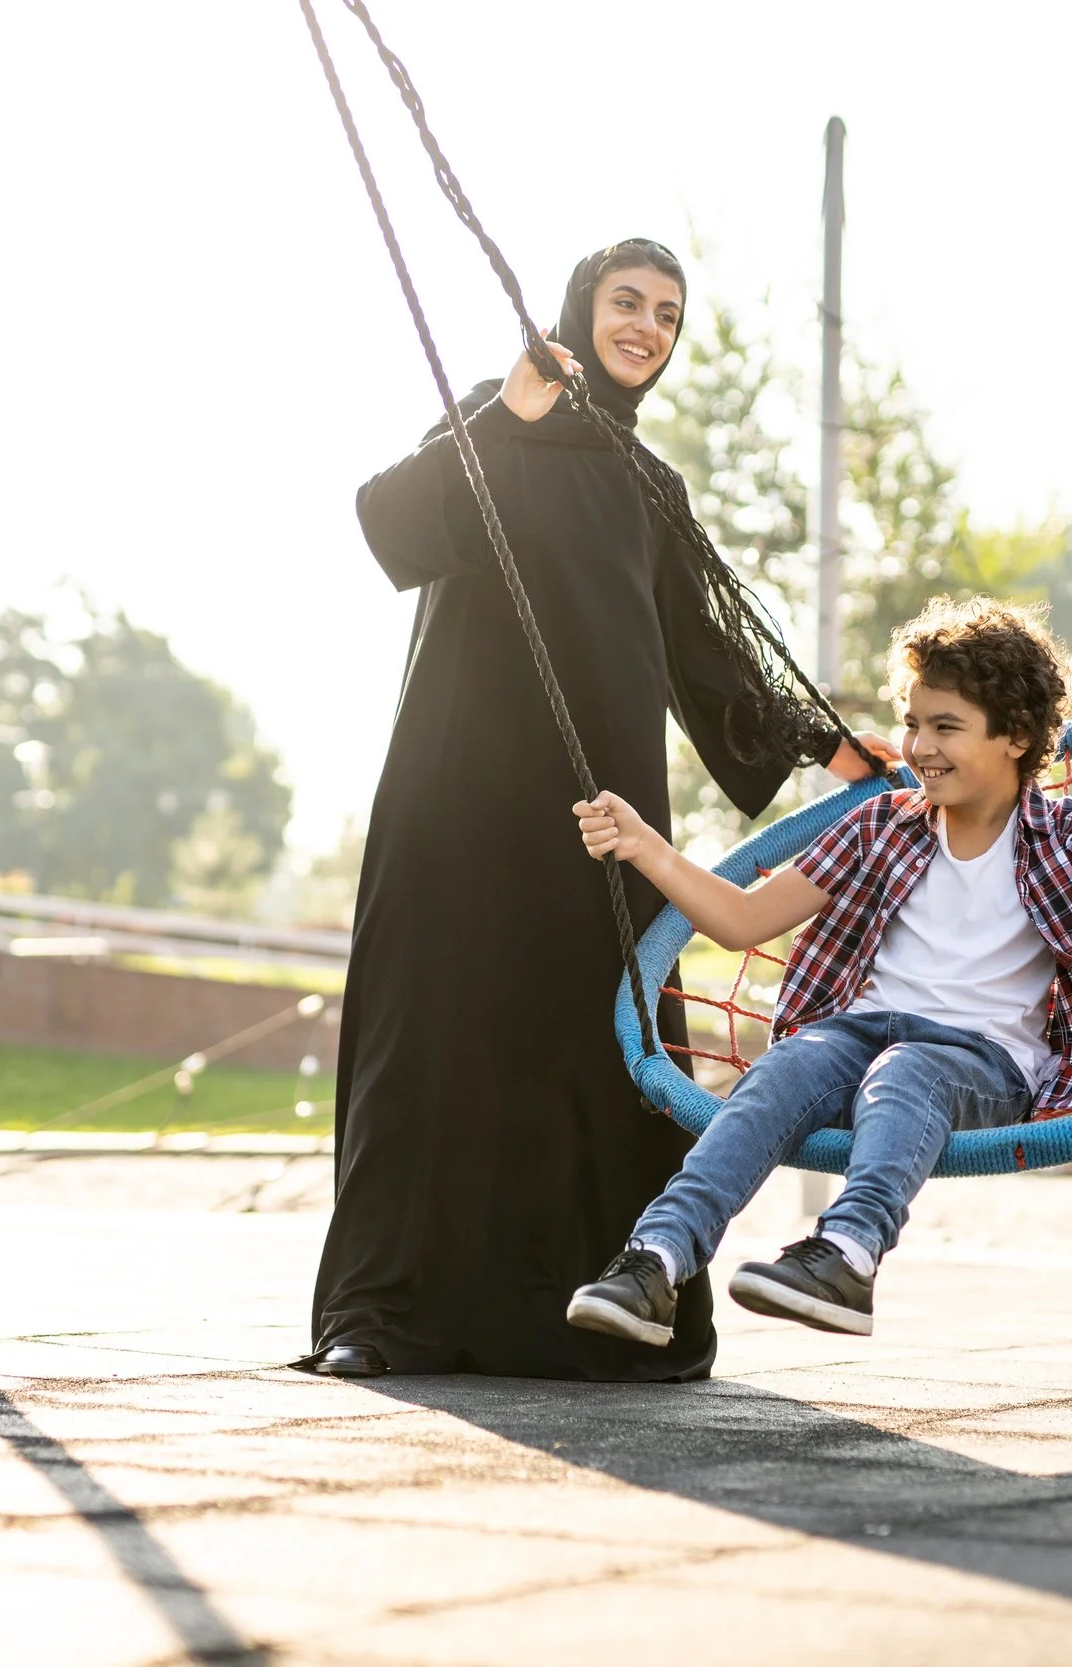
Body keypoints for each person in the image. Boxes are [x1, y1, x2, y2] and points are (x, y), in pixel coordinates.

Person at [301, 239, 891, 1381]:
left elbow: (709, 651)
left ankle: (612, 1305)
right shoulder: (496, 418)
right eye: (626, 304)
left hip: (602, 809)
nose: (646, 329)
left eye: (667, 315)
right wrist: (508, 416)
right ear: (577, 310)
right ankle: (381, 1315)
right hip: (458, 791)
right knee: (435, 1031)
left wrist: (828, 744)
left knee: (601, 1036)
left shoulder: (646, 482)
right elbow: (390, 524)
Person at [562, 596, 1072, 1347]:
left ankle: (847, 1252)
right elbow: (744, 920)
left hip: (980, 1064)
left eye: (946, 726)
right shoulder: (882, 824)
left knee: (910, 1069)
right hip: (857, 1040)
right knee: (786, 1066)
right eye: (912, 722)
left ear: (1017, 736)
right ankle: (657, 1258)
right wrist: (647, 847)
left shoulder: (1062, 832)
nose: (920, 744)